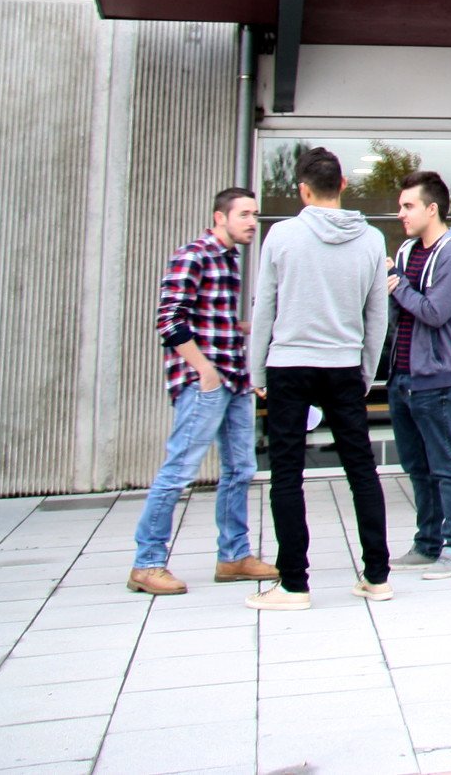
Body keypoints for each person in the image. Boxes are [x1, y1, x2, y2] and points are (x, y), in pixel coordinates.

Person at [246, 146, 390, 611]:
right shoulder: (371, 240)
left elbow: (264, 306)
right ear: (343, 185)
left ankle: (293, 585)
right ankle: (377, 576)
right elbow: (377, 316)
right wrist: (366, 369)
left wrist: (257, 369)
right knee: (361, 469)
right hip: (345, 364)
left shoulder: (281, 237)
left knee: (287, 472)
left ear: (303, 190)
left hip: (290, 363)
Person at [128, 187, 277, 596]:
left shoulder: (228, 259)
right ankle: (147, 563)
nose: (252, 222)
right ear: (219, 217)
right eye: (244, 214)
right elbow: (170, 321)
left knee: (240, 470)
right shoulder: (193, 254)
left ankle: (234, 557)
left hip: (234, 380)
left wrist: (252, 329)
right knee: (179, 471)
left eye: (254, 214)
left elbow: (213, 321)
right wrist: (205, 372)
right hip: (206, 383)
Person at [383, 170, 451, 578]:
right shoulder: (406, 252)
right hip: (404, 377)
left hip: (441, 379)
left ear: (432, 208)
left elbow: (435, 312)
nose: (400, 213)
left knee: (448, 465)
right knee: (417, 467)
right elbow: (397, 312)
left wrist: (398, 286)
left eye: (408, 206)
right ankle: (426, 544)